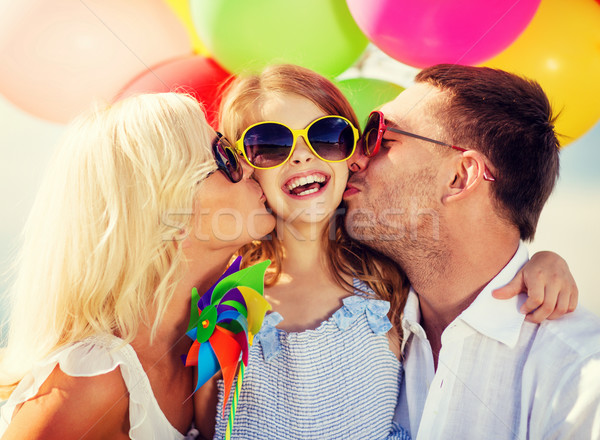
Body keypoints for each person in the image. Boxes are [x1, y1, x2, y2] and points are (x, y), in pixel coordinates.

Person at [197, 64, 579, 440]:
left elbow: (464, 260)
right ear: (241, 167)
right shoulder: (224, 301)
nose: (300, 156)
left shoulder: (389, 283)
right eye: (269, 146)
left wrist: (542, 261)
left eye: (329, 136)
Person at [344, 64, 600, 439]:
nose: (354, 158)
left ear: (460, 177)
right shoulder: (355, 323)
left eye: (381, 137)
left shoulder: (580, 378)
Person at [0, 93, 275, 439]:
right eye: (226, 156)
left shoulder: (199, 345)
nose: (250, 166)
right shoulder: (95, 378)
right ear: (170, 210)